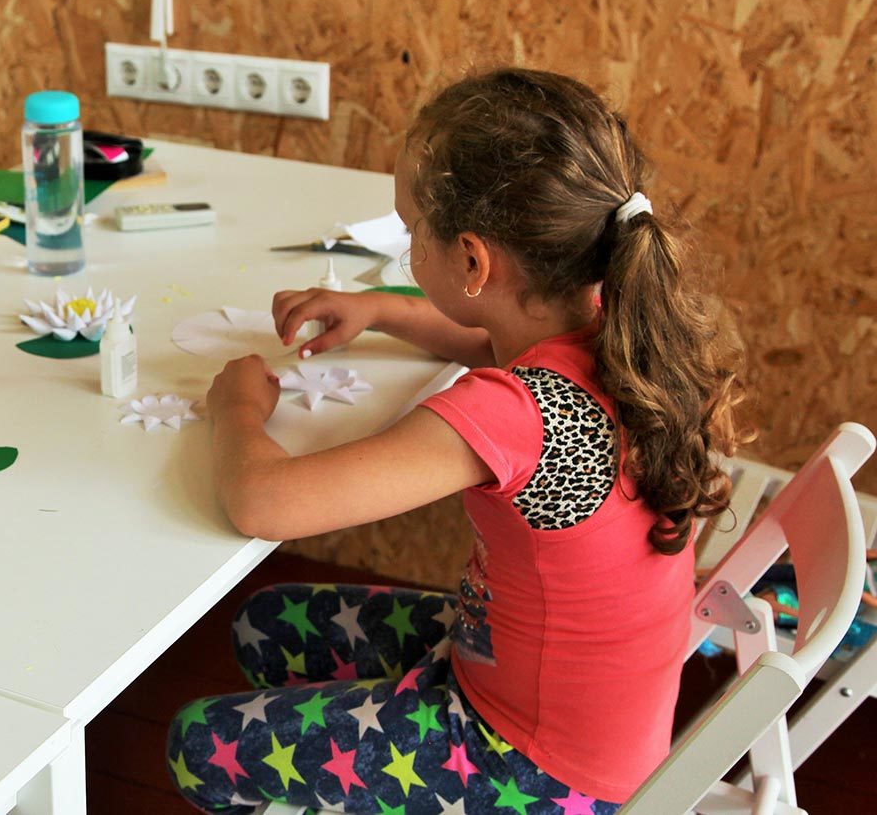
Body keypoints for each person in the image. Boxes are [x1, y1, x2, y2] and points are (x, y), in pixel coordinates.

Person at [169, 69, 747, 813]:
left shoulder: (514, 415)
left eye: (412, 230)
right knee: (266, 623)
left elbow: (263, 500)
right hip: (570, 705)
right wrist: (379, 307)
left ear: (473, 262)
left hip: (541, 770)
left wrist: (237, 409)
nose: (407, 241)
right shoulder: (619, 321)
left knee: (197, 743)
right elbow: (484, 334)